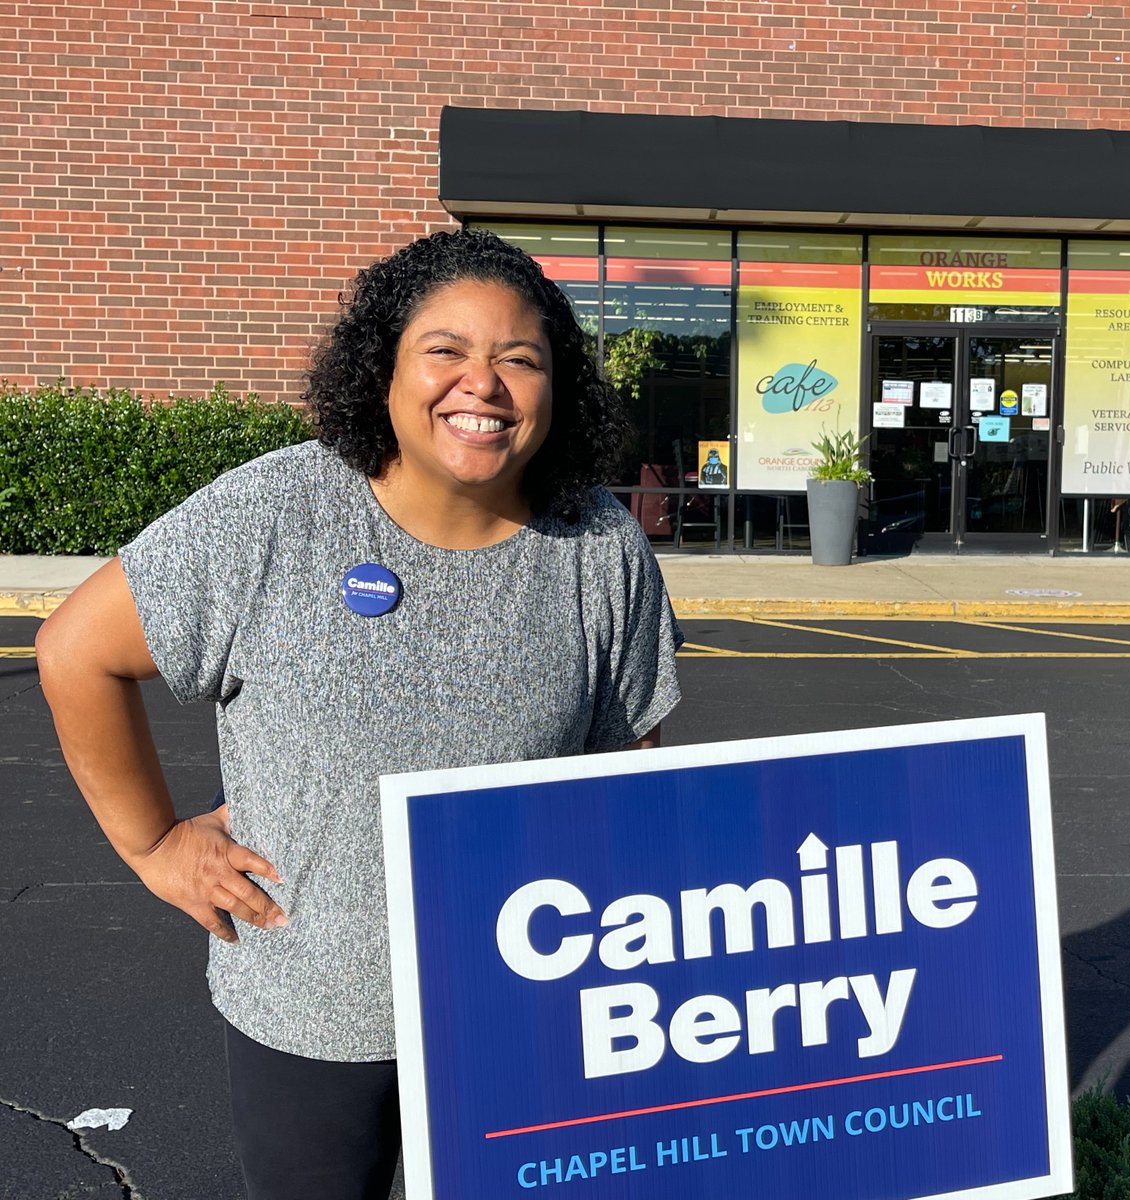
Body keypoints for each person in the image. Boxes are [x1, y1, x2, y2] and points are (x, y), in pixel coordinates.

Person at [36, 228, 684, 1200]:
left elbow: (621, 775)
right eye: (447, 351)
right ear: (384, 367)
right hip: (311, 1021)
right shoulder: (278, 514)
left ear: (559, 386)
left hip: (519, 1022)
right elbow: (75, 651)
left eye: (521, 358)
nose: (485, 384)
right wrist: (156, 848)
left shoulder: (597, 549)